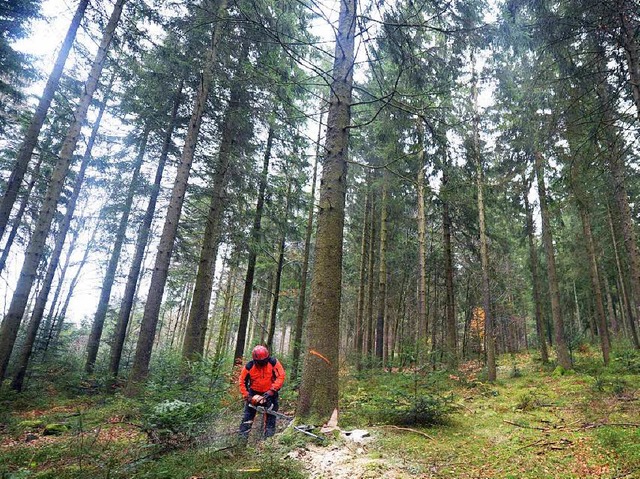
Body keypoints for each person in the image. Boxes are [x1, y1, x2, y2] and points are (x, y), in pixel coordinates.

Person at [238, 345, 286, 439]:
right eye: (260, 362)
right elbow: (242, 381)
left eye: (264, 360)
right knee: (247, 418)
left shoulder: (273, 362)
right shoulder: (249, 366)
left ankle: (268, 441)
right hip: (253, 393)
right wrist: (247, 396)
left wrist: (273, 390)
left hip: (270, 393)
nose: (263, 363)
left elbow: (281, 376)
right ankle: (241, 441)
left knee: (271, 418)